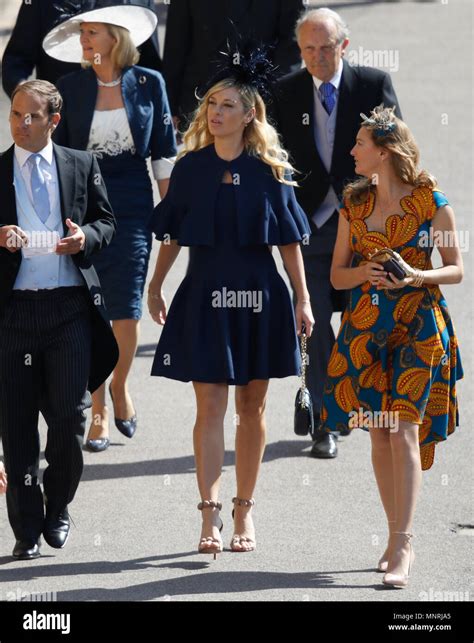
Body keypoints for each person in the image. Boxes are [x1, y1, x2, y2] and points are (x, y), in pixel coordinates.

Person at [147, 52, 314, 557]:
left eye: (229, 105)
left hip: (261, 295)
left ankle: (244, 509)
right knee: (210, 406)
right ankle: (208, 513)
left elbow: (289, 241)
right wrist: (156, 285)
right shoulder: (191, 168)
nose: (216, 112)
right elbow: (173, 233)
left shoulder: (270, 170)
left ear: (249, 116)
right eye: (212, 103)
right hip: (204, 292)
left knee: (252, 407)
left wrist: (303, 299)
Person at [320, 105, 464, 587]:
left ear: (383, 152)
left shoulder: (430, 200)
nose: (352, 151)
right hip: (366, 327)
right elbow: (338, 273)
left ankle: (404, 544)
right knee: (379, 431)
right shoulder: (353, 204)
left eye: (360, 144)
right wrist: (366, 272)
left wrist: (418, 274)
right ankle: (392, 534)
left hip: (420, 325)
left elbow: (456, 268)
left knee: (403, 427)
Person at [270, 8, 401, 459]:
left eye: (326, 48)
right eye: (309, 49)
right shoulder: (285, 91)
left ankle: (359, 402)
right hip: (309, 229)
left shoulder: (371, 85)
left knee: (360, 321)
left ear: (343, 45)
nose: (318, 57)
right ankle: (325, 419)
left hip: (362, 228)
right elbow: (273, 157)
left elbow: (396, 151)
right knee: (311, 319)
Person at [46, 3, 177, 451]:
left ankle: (120, 385)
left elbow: (162, 150)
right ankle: (97, 405)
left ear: (115, 38)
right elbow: (56, 156)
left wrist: (171, 207)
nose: (84, 39)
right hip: (82, 205)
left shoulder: (150, 84)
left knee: (124, 306)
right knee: (91, 306)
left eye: (93, 32)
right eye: (82, 32)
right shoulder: (69, 88)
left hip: (134, 203)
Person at [0, 79, 118, 560]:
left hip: (69, 307)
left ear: (54, 119)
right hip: (13, 312)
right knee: (17, 425)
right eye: (15, 115)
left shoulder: (81, 164)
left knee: (69, 419)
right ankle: (26, 528)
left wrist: (84, 238)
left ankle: (59, 503)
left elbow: (107, 222)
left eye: (33, 116)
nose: (22, 124)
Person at [162, 0, 305, 129]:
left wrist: (274, 98)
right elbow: (176, 44)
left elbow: (290, 47)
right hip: (200, 102)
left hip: (261, 104)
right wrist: (170, 106)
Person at [2, 0, 162, 98]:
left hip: (124, 125)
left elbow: (150, 63)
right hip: (61, 126)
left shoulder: (138, 3)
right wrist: (26, 95)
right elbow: (17, 59)